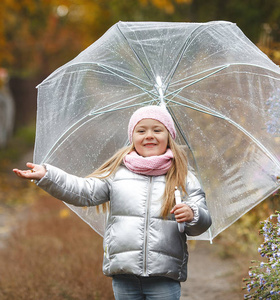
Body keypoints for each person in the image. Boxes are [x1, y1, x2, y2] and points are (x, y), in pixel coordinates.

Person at [13, 105, 212, 300]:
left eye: (157, 130)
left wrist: (193, 213)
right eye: (141, 130)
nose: (149, 135)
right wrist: (48, 176)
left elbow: (201, 221)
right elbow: (85, 191)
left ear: (169, 136)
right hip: (124, 273)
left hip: (164, 276)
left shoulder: (183, 177)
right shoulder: (118, 173)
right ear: (132, 137)